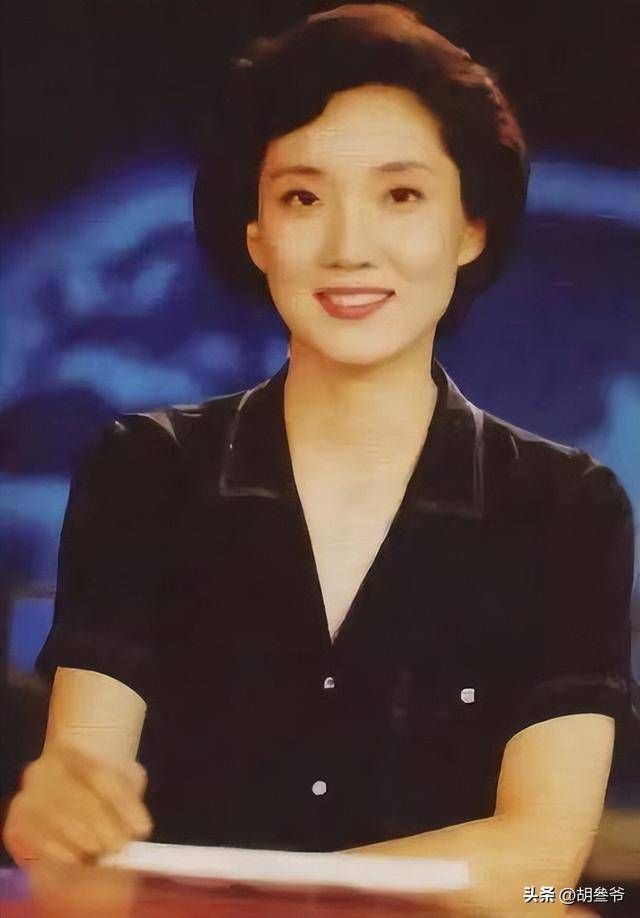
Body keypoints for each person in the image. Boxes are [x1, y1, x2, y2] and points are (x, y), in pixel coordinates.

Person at [3, 5, 634, 914]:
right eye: (303, 198)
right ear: (256, 233)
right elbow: (81, 830)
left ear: (471, 227)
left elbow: (540, 865)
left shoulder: (567, 506)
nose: (348, 248)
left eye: (400, 196)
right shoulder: (144, 470)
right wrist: (59, 819)